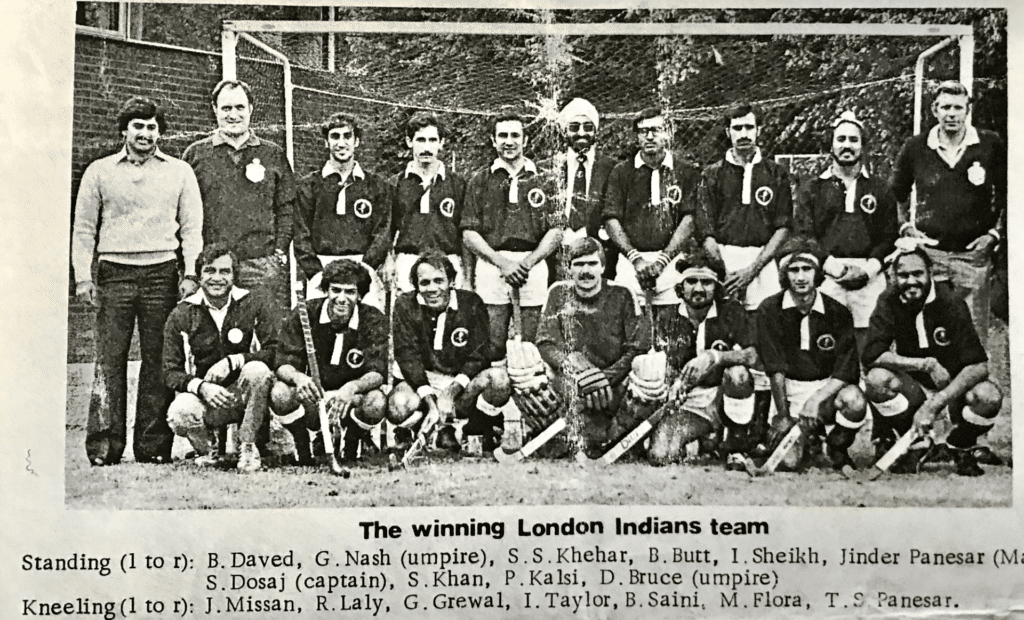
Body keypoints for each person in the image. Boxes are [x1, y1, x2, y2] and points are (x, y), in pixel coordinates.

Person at [72, 96, 203, 466]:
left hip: (162, 274)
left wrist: (190, 272)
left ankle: (152, 447)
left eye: (152, 126)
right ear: (124, 130)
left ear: (160, 132)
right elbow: (83, 230)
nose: (145, 133)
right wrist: (83, 277)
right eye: (138, 126)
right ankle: (104, 447)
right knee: (108, 360)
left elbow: (192, 230)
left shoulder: (179, 172)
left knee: (157, 360)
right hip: (114, 275)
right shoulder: (99, 171)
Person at [695, 100, 793, 448]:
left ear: (759, 130)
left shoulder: (776, 173)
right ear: (727, 132)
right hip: (725, 262)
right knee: (730, 341)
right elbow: (704, 229)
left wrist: (753, 269)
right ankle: (726, 427)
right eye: (737, 129)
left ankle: (760, 430)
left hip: (762, 265)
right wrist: (726, 269)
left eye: (749, 128)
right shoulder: (712, 174)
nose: (743, 135)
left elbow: (782, 228)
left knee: (763, 343)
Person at [862, 246, 1003, 476]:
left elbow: (978, 365)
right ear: (893, 276)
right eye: (903, 275)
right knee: (876, 379)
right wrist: (924, 364)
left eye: (917, 274)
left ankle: (959, 444)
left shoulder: (951, 302)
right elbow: (872, 355)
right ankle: (920, 445)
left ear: (930, 272)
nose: (911, 281)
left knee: (989, 396)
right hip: (915, 388)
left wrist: (935, 404)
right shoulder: (888, 300)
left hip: (952, 388)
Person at [890, 80, 1006, 345]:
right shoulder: (916, 147)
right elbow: (894, 194)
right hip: (930, 256)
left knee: (974, 338)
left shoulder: (990, 144)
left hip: (973, 258)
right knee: (932, 333)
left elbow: (1007, 194)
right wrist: (905, 227)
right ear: (934, 109)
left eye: (957, 107)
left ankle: (971, 387)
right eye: (945, 107)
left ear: (967, 110)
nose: (951, 114)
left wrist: (993, 235)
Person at [182, 79, 295, 321]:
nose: (233, 115)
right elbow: (182, 213)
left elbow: (286, 208)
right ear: (215, 109)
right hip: (213, 268)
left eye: (240, 107)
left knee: (268, 335)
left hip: (260, 264)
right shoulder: (195, 154)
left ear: (251, 109)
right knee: (213, 337)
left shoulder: (272, 154)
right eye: (226, 108)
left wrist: (279, 252)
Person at [754, 237, 867, 472]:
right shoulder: (769, 310)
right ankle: (809, 439)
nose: (801, 276)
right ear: (785, 275)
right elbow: (775, 368)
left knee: (855, 401)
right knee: (790, 463)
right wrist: (783, 416)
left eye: (807, 269)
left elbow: (846, 369)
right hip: (790, 391)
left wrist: (816, 400)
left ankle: (837, 445)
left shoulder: (837, 311)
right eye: (793, 270)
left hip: (826, 391)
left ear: (818, 274)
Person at [162, 244, 278, 472]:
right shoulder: (182, 313)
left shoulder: (253, 303)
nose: (217, 278)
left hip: (244, 395)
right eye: (210, 271)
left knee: (258, 371)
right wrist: (202, 387)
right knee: (179, 412)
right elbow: (169, 370)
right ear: (200, 275)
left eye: (224, 272)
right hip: (208, 398)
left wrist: (233, 361)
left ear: (235, 275)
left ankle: (247, 445)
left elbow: (274, 351)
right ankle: (207, 450)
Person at [461, 110, 561, 361]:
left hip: (532, 264)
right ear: (493, 141)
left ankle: (529, 393)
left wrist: (526, 263)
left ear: (525, 140)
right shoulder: (480, 179)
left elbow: (556, 230)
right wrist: (502, 263)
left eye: (515, 135)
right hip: (492, 264)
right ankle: (495, 395)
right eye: (502, 135)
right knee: (492, 342)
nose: (509, 141)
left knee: (532, 342)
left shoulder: (544, 178)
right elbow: (469, 233)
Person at [535, 238, 650, 457]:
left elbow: (636, 348)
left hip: (611, 385)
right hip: (572, 383)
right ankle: (556, 433)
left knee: (647, 366)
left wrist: (604, 378)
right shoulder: (558, 292)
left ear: (603, 267)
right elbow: (545, 343)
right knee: (527, 362)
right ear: (568, 268)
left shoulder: (622, 294)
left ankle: (620, 434)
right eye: (578, 264)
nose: (585, 271)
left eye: (592, 264)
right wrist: (573, 369)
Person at [388, 251, 512, 454]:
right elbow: (407, 356)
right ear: (416, 286)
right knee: (398, 405)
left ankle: (476, 428)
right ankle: (421, 429)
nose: (432, 289)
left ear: (452, 281)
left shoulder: (471, 303)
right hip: (422, 382)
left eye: (439, 281)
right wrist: (431, 402)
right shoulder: (404, 305)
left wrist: (451, 392)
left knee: (499, 380)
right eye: (425, 283)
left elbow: (480, 355)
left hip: (460, 383)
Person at [795, 111, 898, 349]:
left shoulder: (880, 189)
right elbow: (804, 235)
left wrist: (867, 270)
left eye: (853, 140)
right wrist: (834, 268)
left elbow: (888, 236)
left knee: (870, 348)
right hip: (826, 275)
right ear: (831, 145)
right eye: (841, 140)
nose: (847, 146)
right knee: (826, 344)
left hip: (868, 277)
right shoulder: (812, 188)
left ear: (862, 146)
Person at [648, 246, 758, 466]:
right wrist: (673, 383)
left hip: (720, 396)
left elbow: (752, 355)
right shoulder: (667, 317)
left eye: (706, 282)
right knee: (660, 456)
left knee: (738, 375)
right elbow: (659, 361)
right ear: (681, 287)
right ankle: (703, 440)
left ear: (716, 287)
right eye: (692, 282)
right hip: (690, 403)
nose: (698, 288)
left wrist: (714, 357)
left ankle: (736, 446)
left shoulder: (731, 311)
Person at [270, 260, 388, 465]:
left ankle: (351, 444)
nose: (341, 298)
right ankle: (302, 444)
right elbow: (282, 363)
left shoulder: (373, 319)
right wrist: (299, 378)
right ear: (326, 290)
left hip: (351, 399)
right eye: (336, 290)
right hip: (314, 397)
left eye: (350, 292)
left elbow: (377, 372)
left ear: (360, 295)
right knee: (280, 392)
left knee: (376, 401)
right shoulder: (304, 313)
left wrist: (352, 388)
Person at [602, 107, 701, 326]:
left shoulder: (685, 172)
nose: (649, 136)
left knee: (673, 327)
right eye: (642, 131)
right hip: (631, 263)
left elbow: (690, 219)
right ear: (636, 136)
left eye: (656, 130)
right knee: (631, 329)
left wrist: (663, 259)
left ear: (668, 133)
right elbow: (611, 219)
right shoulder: (621, 172)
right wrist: (636, 258)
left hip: (672, 262)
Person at [294, 113, 392, 309]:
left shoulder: (377, 186)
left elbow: (383, 232)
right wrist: (316, 274)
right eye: (335, 136)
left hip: (364, 271)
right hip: (322, 272)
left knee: (365, 331)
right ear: (326, 142)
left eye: (347, 136)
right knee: (323, 333)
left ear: (356, 141)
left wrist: (365, 270)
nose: (341, 143)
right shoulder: (308, 186)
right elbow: (301, 235)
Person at [540, 98, 619, 283]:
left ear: (596, 130)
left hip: (597, 253)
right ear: (564, 130)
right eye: (574, 127)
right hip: (558, 254)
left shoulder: (612, 169)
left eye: (587, 127)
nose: (581, 133)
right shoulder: (547, 169)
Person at [389, 112, 469, 292]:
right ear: (409, 142)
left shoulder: (458, 184)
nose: (426, 147)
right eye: (420, 140)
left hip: (448, 261)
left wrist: (468, 275)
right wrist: (389, 262)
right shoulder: (395, 184)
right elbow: (386, 231)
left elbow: (465, 233)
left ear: (441, 143)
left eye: (432, 140)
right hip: (409, 261)